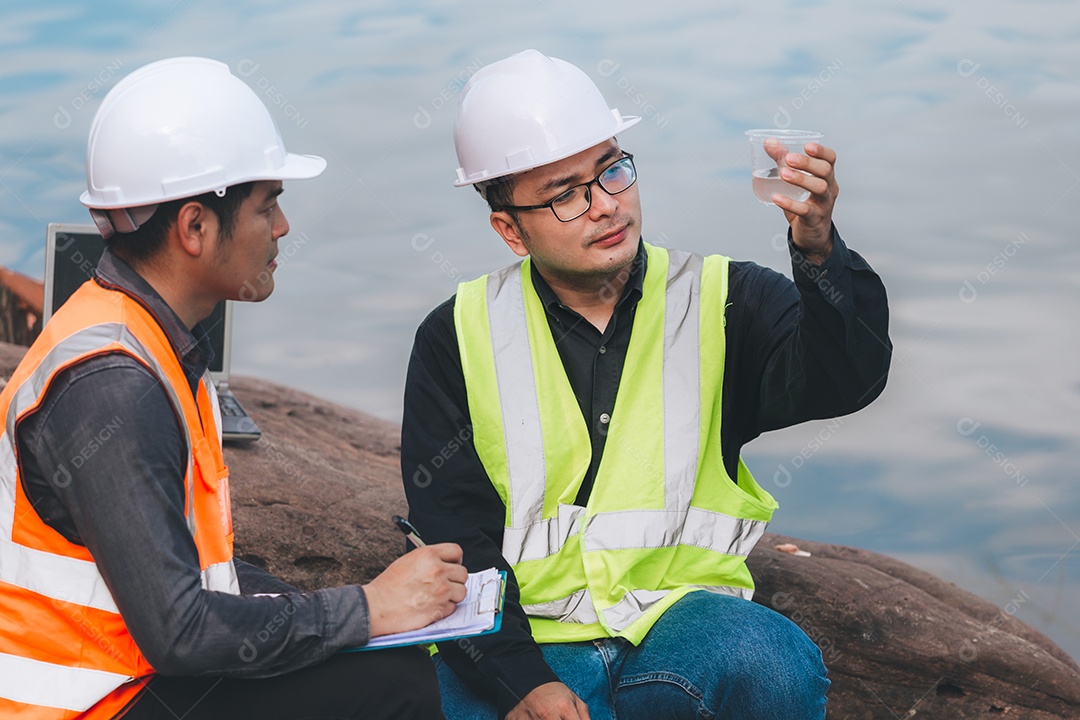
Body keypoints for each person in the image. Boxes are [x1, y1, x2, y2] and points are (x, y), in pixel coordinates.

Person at [401, 49, 891, 719]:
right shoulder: (455, 336)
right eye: (567, 194)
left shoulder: (724, 300)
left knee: (764, 659)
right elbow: (459, 538)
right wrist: (522, 683)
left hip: (684, 631)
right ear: (509, 230)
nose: (605, 205)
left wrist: (818, 249)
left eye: (612, 170)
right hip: (531, 644)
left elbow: (846, 381)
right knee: (405, 695)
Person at [0, 57, 466, 720]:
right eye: (268, 205)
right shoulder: (113, 386)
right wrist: (366, 608)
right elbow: (181, 633)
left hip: (120, 679)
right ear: (194, 228)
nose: (281, 228)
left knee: (360, 651)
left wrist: (338, 607)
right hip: (88, 704)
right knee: (392, 682)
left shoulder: (135, 335)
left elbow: (192, 574)